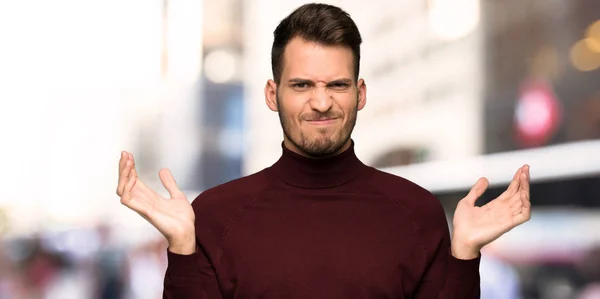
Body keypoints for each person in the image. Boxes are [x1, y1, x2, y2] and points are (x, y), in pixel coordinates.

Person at [116, 3, 531, 298]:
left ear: (360, 93)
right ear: (272, 94)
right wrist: (182, 249)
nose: (321, 102)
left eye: (337, 84)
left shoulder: (417, 213)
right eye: (302, 85)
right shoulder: (212, 215)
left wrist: (464, 257)